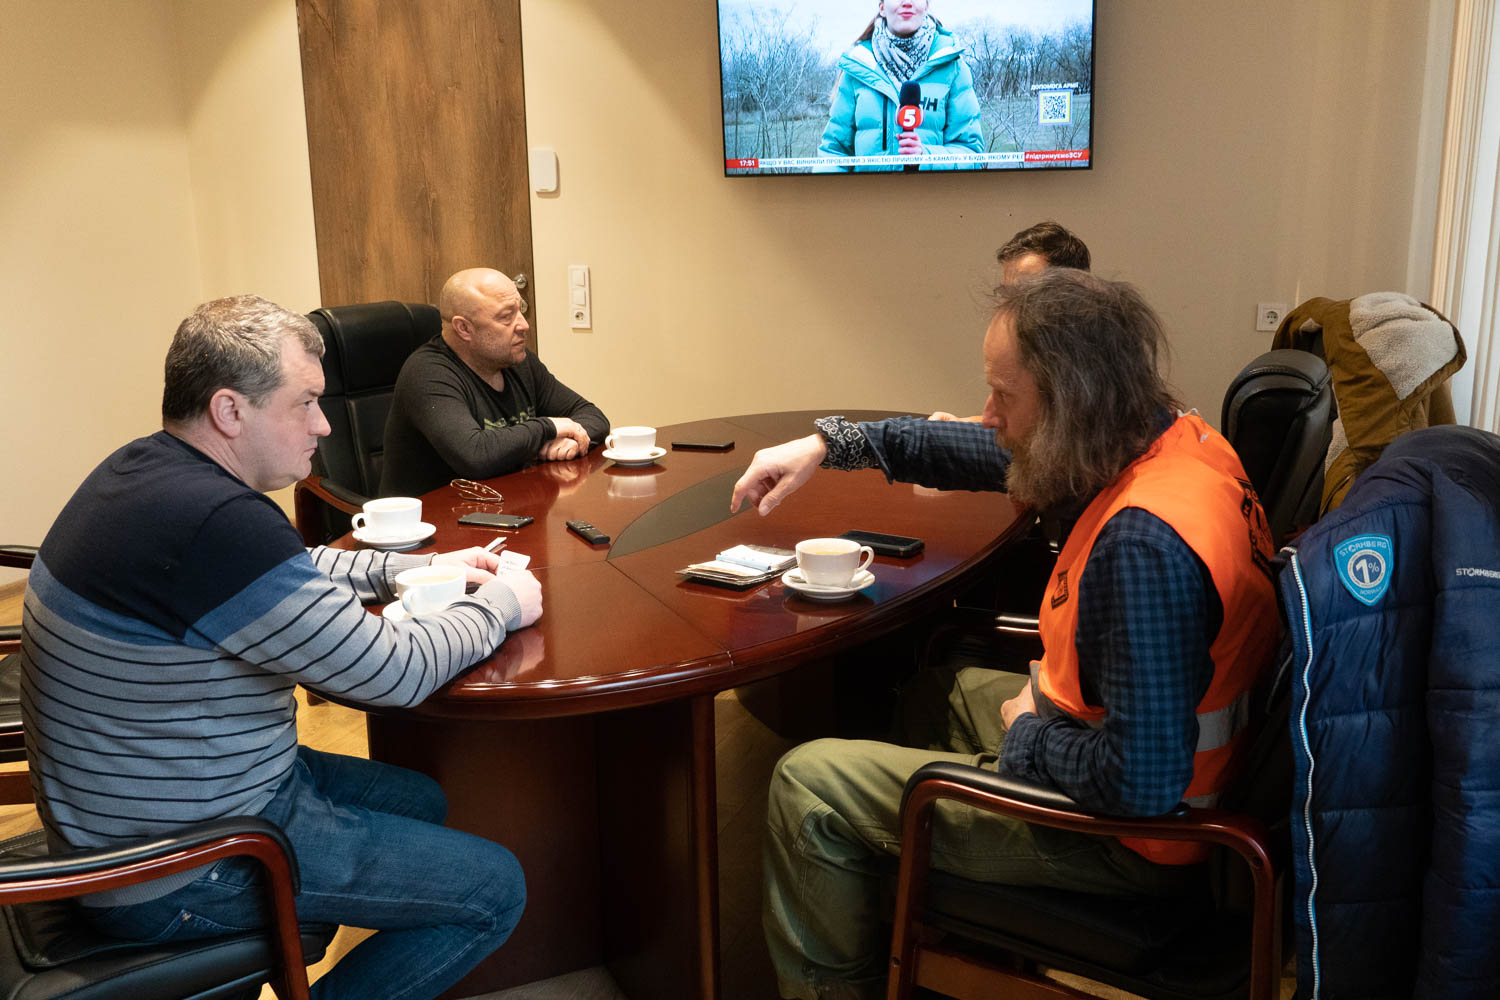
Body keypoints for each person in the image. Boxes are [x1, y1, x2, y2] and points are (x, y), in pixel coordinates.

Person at [730, 270, 1278, 1000]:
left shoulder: (1145, 546)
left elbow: (1142, 785)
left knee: (810, 781)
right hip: (1136, 769)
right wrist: (831, 444)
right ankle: (920, 911)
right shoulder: (1178, 442)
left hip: (1135, 844)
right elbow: (982, 452)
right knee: (939, 690)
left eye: (1004, 395)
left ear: (1070, 402)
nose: (987, 414)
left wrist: (1026, 737)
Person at [20, 294, 543, 1000]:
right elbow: (391, 672)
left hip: (156, 806)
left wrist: (411, 567)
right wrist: (501, 606)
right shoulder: (215, 522)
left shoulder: (148, 473)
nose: (324, 426)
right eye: (305, 404)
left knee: (416, 797)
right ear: (231, 411)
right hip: (179, 863)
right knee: (496, 887)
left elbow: (281, 573)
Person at [380, 267, 609, 496]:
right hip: (430, 521)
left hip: (503, 506)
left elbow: (593, 417)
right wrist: (549, 428)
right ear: (464, 328)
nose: (523, 325)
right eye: (506, 317)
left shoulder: (517, 360)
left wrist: (571, 439)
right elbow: (475, 455)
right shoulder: (427, 373)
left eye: (519, 311)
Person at [930, 220, 1091, 421]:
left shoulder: (1091, 356)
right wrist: (959, 423)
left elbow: (1042, 432)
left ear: (1070, 292)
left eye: (1025, 293)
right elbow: (1015, 422)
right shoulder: (1028, 344)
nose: (1010, 306)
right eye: (1006, 294)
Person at [815, 0, 983, 173]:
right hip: (869, 198)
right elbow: (833, 153)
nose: (907, 2)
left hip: (932, 198)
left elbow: (972, 154)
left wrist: (927, 157)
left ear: (926, 6)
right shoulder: (857, 67)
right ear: (882, 8)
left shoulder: (953, 66)